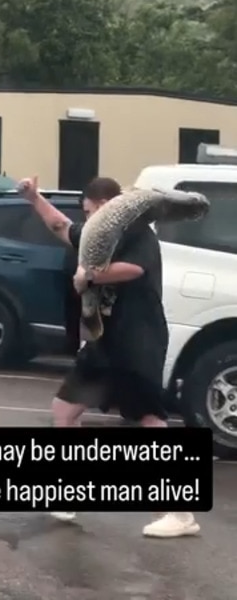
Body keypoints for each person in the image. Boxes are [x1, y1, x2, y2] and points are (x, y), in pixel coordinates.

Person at [18, 175, 201, 539]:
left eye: (90, 211)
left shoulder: (136, 233)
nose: (86, 219)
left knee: (149, 421)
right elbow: (61, 226)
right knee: (64, 411)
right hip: (104, 342)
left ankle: (179, 513)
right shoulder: (95, 237)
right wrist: (33, 197)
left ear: (105, 206)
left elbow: (134, 270)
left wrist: (89, 276)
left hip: (137, 339)